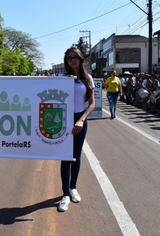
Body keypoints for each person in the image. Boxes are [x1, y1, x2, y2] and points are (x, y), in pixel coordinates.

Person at [58, 47, 95, 212]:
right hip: (63, 120)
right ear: (66, 61)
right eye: (69, 58)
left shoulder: (88, 78)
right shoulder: (60, 77)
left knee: (76, 156)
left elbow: (92, 103)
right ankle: (65, 193)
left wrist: (81, 119)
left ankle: (73, 188)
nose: (72, 60)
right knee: (65, 156)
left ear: (81, 59)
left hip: (79, 120)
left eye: (75, 57)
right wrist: (65, 83)